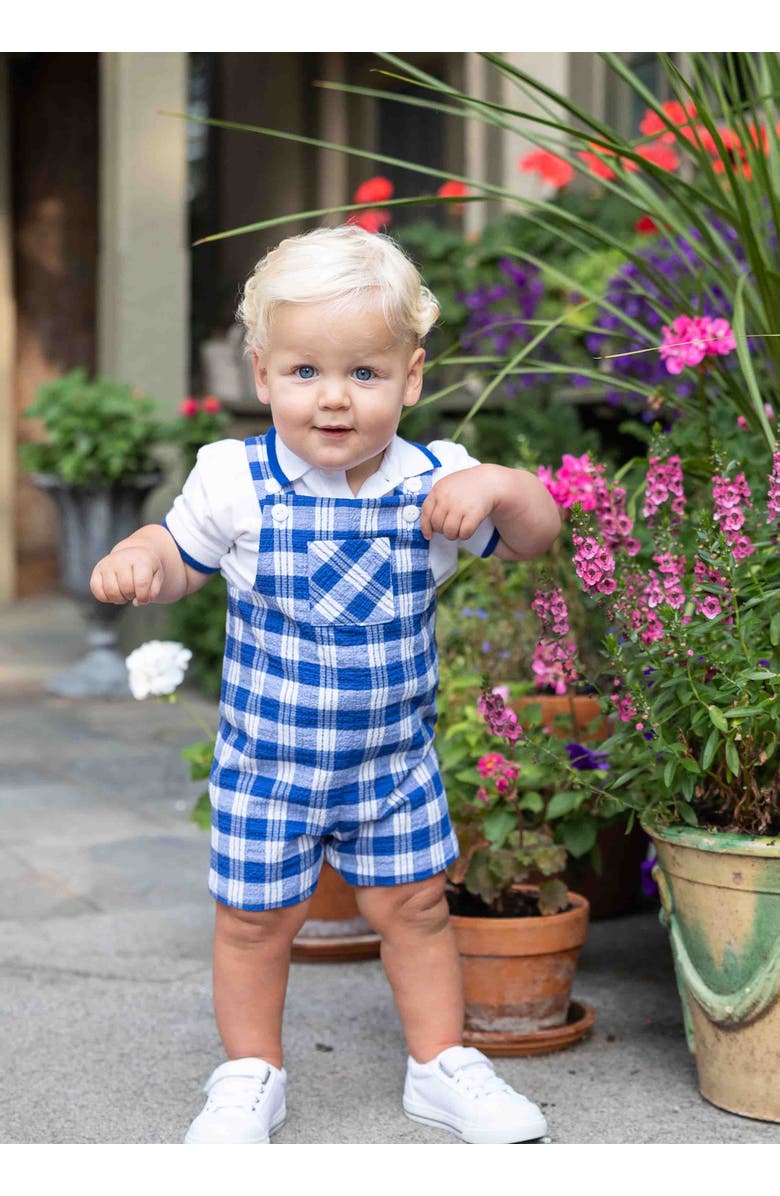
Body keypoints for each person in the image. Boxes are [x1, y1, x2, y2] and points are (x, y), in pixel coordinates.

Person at [90, 225, 562, 1145]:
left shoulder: (439, 479)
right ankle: (248, 1075)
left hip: (393, 763)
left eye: (365, 374)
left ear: (412, 379)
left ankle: (439, 1065)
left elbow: (537, 534)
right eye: (305, 372)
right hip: (270, 764)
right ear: (262, 375)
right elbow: (181, 554)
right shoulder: (235, 478)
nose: (335, 399)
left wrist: (505, 486)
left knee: (418, 909)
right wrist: (138, 555)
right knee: (254, 923)